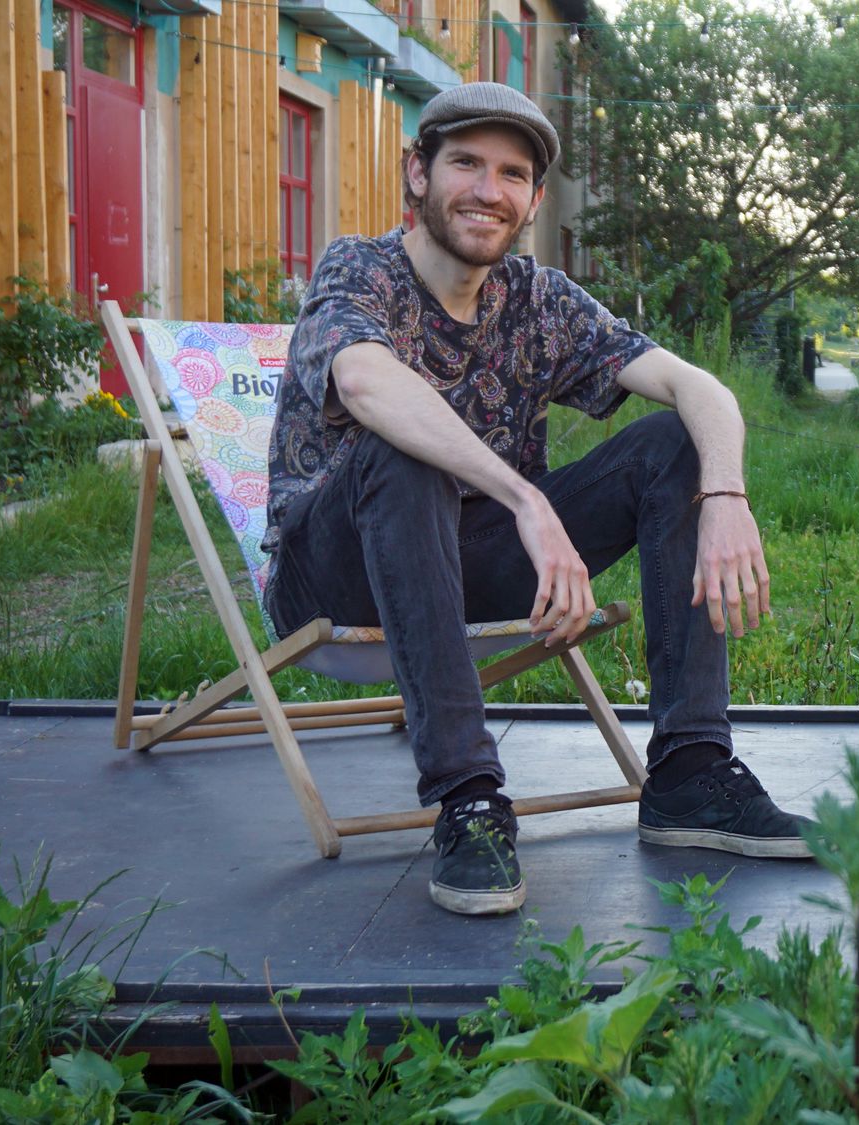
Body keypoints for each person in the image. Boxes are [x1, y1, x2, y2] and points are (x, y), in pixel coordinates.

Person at [261, 83, 813, 917]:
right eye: (467, 164)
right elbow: (365, 381)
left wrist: (725, 491)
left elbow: (694, 384)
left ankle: (692, 772)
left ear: (533, 198)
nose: (489, 190)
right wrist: (526, 498)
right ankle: (470, 799)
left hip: (465, 561)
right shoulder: (359, 268)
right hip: (333, 570)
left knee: (675, 440)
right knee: (403, 450)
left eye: (512, 174)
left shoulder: (537, 302)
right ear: (418, 173)